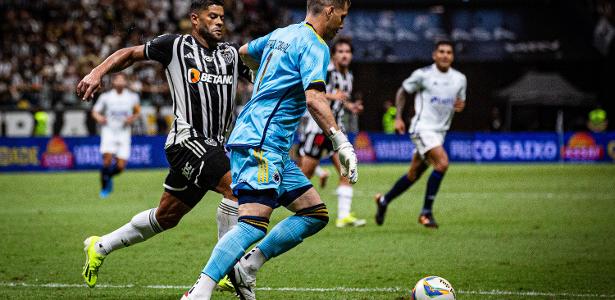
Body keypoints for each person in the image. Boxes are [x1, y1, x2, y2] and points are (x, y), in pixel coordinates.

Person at [182, 0, 356, 299]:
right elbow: (314, 99)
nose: (342, 23)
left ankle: (246, 269)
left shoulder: (282, 34)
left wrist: (263, 80)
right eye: (342, 15)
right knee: (252, 224)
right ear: (329, 10)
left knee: (314, 213)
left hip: (268, 143)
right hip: (262, 141)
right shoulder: (316, 45)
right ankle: (199, 291)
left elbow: (244, 53)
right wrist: (341, 141)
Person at [77, 0, 251, 289]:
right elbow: (129, 54)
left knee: (166, 217)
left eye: (222, 17)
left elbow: (265, 75)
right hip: (187, 141)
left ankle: (100, 246)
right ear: (195, 19)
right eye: (212, 16)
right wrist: (97, 72)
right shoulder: (175, 46)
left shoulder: (231, 55)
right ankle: (224, 270)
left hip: (216, 146)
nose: (220, 22)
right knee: (235, 187)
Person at [374, 40, 467, 229]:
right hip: (422, 128)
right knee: (442, 163)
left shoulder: (460, 79)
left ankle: (384, 200)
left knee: (413, 174)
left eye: (448, 52)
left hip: (440, 132)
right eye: (441, 51)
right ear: (434, 55)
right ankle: (426, 212)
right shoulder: (423, 75)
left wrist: (460, 106)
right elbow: (402, 91)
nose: (445, 55)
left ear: (452, 56)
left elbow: (460, 103)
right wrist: (398, 117)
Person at [298, 37, 365, 228]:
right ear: (334, 55)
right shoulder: (326, 72)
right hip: (317, 129)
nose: (345, 55)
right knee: (305, 174)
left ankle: (343, 216)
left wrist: (350, 106)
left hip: (335, 130)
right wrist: (332, 95)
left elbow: (339, 100)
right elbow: (308, 92)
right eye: (341, 51)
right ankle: (270, 202)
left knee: (347, 169)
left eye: (348, 52)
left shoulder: (348, 76)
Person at [91, 73, 141, 198]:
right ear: (113, 82)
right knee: (107, 160)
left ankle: (107, 177)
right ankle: (104, 188)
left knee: (120, 166)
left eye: (122, 80)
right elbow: (95, 111)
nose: (119, 82)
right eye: (117, 79)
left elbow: (137, 112)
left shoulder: (132, 97)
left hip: (124, 132)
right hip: (109, 131)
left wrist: (132, 118)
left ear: (125, 82)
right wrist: (99, 118)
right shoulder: (106, 97)